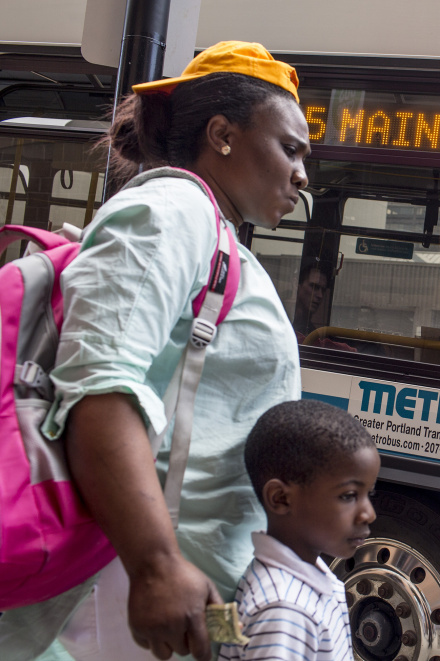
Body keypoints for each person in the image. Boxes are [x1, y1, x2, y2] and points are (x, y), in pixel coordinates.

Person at [0, 42, 310, 661]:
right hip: (130, 586)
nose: (304, 175)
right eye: (291, 148)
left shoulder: (208, 230)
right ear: (222, 134)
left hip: (198, 584)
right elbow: (100, 383)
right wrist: (156, 565)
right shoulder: (173, 210)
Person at [220, 400, 379, 661]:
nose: (369, 513)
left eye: (368, 494)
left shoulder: (308, 574)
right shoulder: (284, 611)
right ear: (281, 498)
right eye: (349, 496)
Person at [293, 265, 329, 337]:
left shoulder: (313, 335)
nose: (320, 295)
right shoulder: (278, 316)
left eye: (323, 290)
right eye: (314, 287)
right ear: (296, 285)